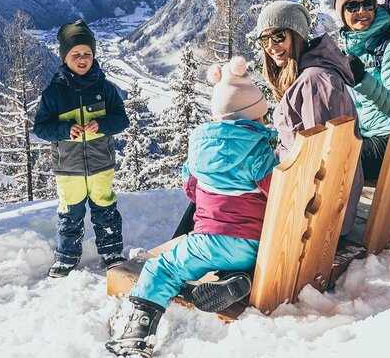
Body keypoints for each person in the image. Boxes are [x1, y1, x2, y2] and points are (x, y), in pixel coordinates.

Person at [106, 56, 276, 358]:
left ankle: (138, 333)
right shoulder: (259, 152)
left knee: (162, 268)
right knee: (235, 255)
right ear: (253, 118)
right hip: (253, 244)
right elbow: (275, 191)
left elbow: (191, 191)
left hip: (208, 241)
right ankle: (235, 280)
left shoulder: (199, 152)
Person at [254, 1, 362, 234]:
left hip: (315, 214)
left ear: (297, 34)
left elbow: (321, 159)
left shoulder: (314, 81)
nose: (272, 46)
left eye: (279, 36)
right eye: (265, 40)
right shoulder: (308, 76)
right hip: (313, 202)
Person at [33, 20, 129, 278]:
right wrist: (65, 130)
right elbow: (41, 128)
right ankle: (66, 257)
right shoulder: (53, 94)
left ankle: (112, 253)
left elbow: (122, 119)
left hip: (101, 164)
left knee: (105, 210)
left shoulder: (105, 89)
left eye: (87, 53)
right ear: (65, 58)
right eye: (76, 54)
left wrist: (103, 125)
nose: (82, 58)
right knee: (70, 214)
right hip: (68, 168)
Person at [334, 0, 390, 181]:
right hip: (368, 136)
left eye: (368, 4)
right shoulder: (351, 50)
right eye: (352, 6)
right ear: (342, 14)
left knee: (335, 164)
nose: (362, 11)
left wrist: (363, 79)